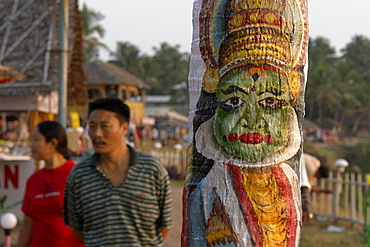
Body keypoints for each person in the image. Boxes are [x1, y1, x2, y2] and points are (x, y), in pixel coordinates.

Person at [63, 98, 173, 246]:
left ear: (124, 128)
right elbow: (76, 227)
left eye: (105, 126)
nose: (97, 134)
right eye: (92, 126)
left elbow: (165, 224)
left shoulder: (152, 169)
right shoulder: (79, 174)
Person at [18, 121, 85, 247]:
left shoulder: (77, 176)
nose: (31, 145)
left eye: (36, 140)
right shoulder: (34, 180)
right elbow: (27, 224)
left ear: (53, 143)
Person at [300, 153, 331, 225]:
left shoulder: (316, 162)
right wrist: (324, 190)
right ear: (319, 174)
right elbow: (306, 187)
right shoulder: (311, 171)